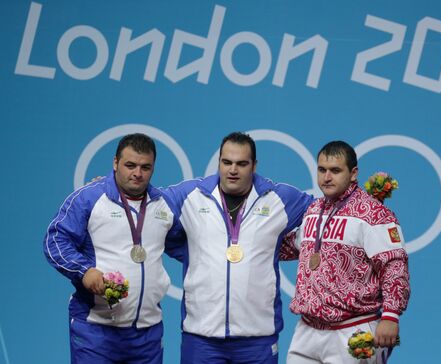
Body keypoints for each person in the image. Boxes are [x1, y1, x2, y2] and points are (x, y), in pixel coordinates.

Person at [163, 131, 313, 364]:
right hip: (201, 337)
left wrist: (366, 203)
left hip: (258, 339)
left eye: (242, 164)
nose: (233, 170)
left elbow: (325, 210)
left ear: (254, 165)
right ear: (219, 162)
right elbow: (146, 206)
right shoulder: (190, 196)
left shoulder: (278, 198)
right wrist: (102, 188)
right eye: (227, 162)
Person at [43, 133, 184, 364]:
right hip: (96, 331)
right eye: (130, 165)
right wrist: (84, 271)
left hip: (147, 332)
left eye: (145, 167)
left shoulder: (163, 205)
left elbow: (187, 245)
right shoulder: (89, 198)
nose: (137, 173)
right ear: (115, 163)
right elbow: (56, 241)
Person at [281, 141, 411, 364]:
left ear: (353, 173)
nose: (327, 177)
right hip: (307, 329)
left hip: (353, 330)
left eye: (335, 170)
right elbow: (293, 246)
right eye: (322, 170)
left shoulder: (373, 214)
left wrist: (391, 315)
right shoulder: (314, 210)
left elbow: (394, 266)